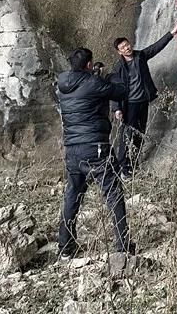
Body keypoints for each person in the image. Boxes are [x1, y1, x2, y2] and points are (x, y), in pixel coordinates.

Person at [56, 48, 133, 258]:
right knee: (113, 193)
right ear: (89, 65)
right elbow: (121, 91)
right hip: (95, 146)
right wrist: (110, 77)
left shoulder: (62, 85)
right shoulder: (94, 83)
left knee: (73, 195)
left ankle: (65, 247)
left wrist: (95, 77)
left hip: (72, 149)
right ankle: (123, 246)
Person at [111, 23, 177, 178]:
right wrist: (117, 108)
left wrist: (171, 33)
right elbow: (114, 89)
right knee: (126, 135)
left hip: (143, 102)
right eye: (123, 47)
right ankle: (123, 167)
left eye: (127, 44)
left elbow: (156, 48)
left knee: (140, 133)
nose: (127, 48)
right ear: (119, 52)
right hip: (129, 105)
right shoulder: (118, 68)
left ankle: (134, 164)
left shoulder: (140, 56)